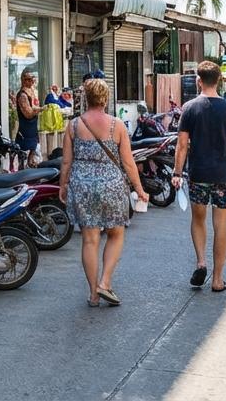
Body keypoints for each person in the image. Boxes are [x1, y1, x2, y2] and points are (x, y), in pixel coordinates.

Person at [59, 77, 147, 307]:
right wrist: (139, 189)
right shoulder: (117, 125)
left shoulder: (74, 126)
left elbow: (66, 162)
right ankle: (105, 282)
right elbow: (128, 163)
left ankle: (93, 294)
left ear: (85, 99)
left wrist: (63, 185)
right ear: (106, 99)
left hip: (82, 186)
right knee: (116, 233)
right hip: (112, 186)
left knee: (90, 240)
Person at [171, 61, 226, 293]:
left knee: (198, 219)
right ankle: (217, 279)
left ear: (199, 81)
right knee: (221, 225)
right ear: (219, 80)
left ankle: (201, 262)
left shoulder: (190, 108)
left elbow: (182, 145)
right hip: (223, 175)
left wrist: (177, 172)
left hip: (198, 174)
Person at [15, 70, 41, 164]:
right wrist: (40, 109)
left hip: (32, 127)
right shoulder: (23, 95)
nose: (32, 82)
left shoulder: (31, 92)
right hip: (26, 127)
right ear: (23, 80)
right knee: (24, 148)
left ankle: (31, 163)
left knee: (33, 148)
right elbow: (28, 114)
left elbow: (34, 106)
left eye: (32, 79)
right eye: (29, 79)